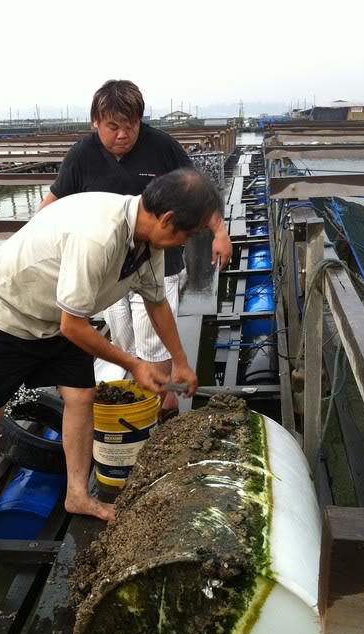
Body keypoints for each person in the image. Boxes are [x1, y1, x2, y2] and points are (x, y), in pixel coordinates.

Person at [0, 168, 224, 536]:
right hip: (9, 311)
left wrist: (180, 362)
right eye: (187, 236)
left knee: (82, 396)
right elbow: (74, 327)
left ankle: (77, 495)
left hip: (61, 313)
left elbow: (157, 302)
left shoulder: (148, 241)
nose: (183, 243)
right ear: (167, 219)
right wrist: (134, 364)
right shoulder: (99, 236)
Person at [40, 79, 232, 418]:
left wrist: (220, 232)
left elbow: (198, 193)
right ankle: (143, 396)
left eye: (131, 126)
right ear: (95, 122)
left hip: (160, 262)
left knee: (152, 340)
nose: (123, 135)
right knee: (123, 341)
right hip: (106, 269)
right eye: (113, 127)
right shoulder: (81, 156)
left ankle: (163, 409)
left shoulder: (162, 147)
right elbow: (53, 203)